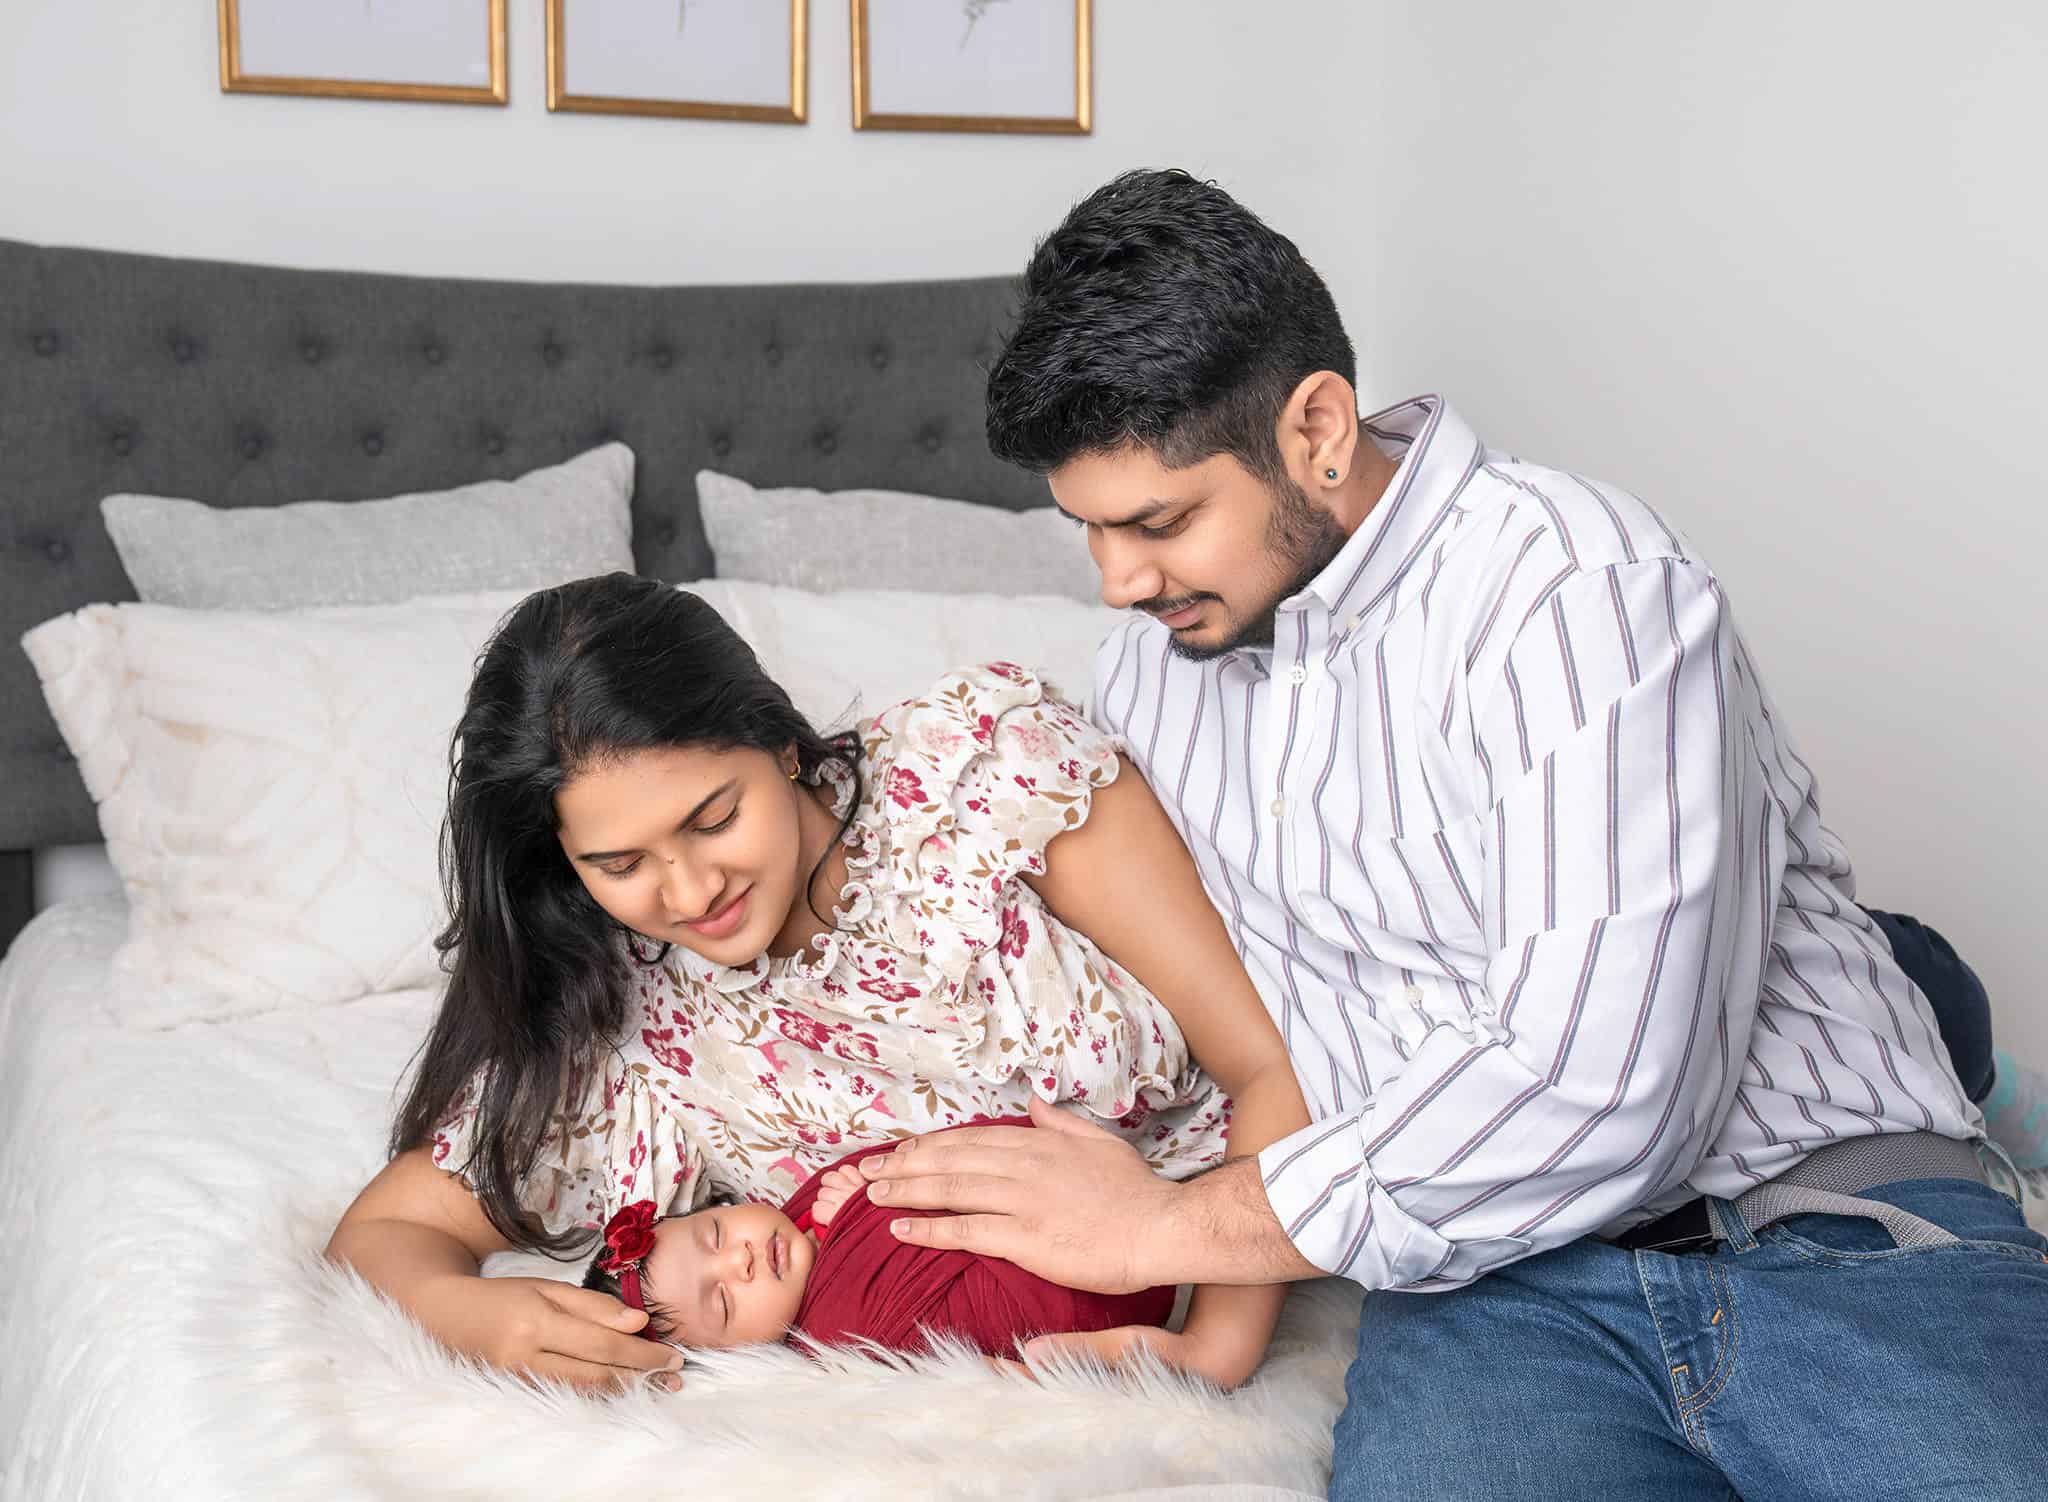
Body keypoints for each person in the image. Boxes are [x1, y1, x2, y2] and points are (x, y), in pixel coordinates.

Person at [856, 169, 2048, 1498]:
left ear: (1316, 427)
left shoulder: (1578, 585)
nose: (1119, 582)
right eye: (1087, 533)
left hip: (1818, 1220)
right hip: (1494, 1292)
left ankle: (1950, 1035)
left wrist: (1168, 1224)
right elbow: (1153, 1010)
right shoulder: (1147, 681)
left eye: (1161, 521)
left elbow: (1597, 1089)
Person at [325, 573, 1307, 1393]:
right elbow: (386, 1230)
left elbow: (1272, 1058)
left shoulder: (976, 777)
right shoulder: (638, 1022)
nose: (691, 889)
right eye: (620, 864)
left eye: (713, 818)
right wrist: (466, 1314)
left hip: (1301, 1217)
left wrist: (1213, 1344)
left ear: (780, 744)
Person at [580, 1117, 1177, 1362]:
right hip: (1088, 1290)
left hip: (1108, 1197)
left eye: (715, 1233)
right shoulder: (834, 1333)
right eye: (726, 1302)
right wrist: (862, 1206)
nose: (740, 1259)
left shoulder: (804, 1208)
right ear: (745, 1356)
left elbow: (939, 1157)